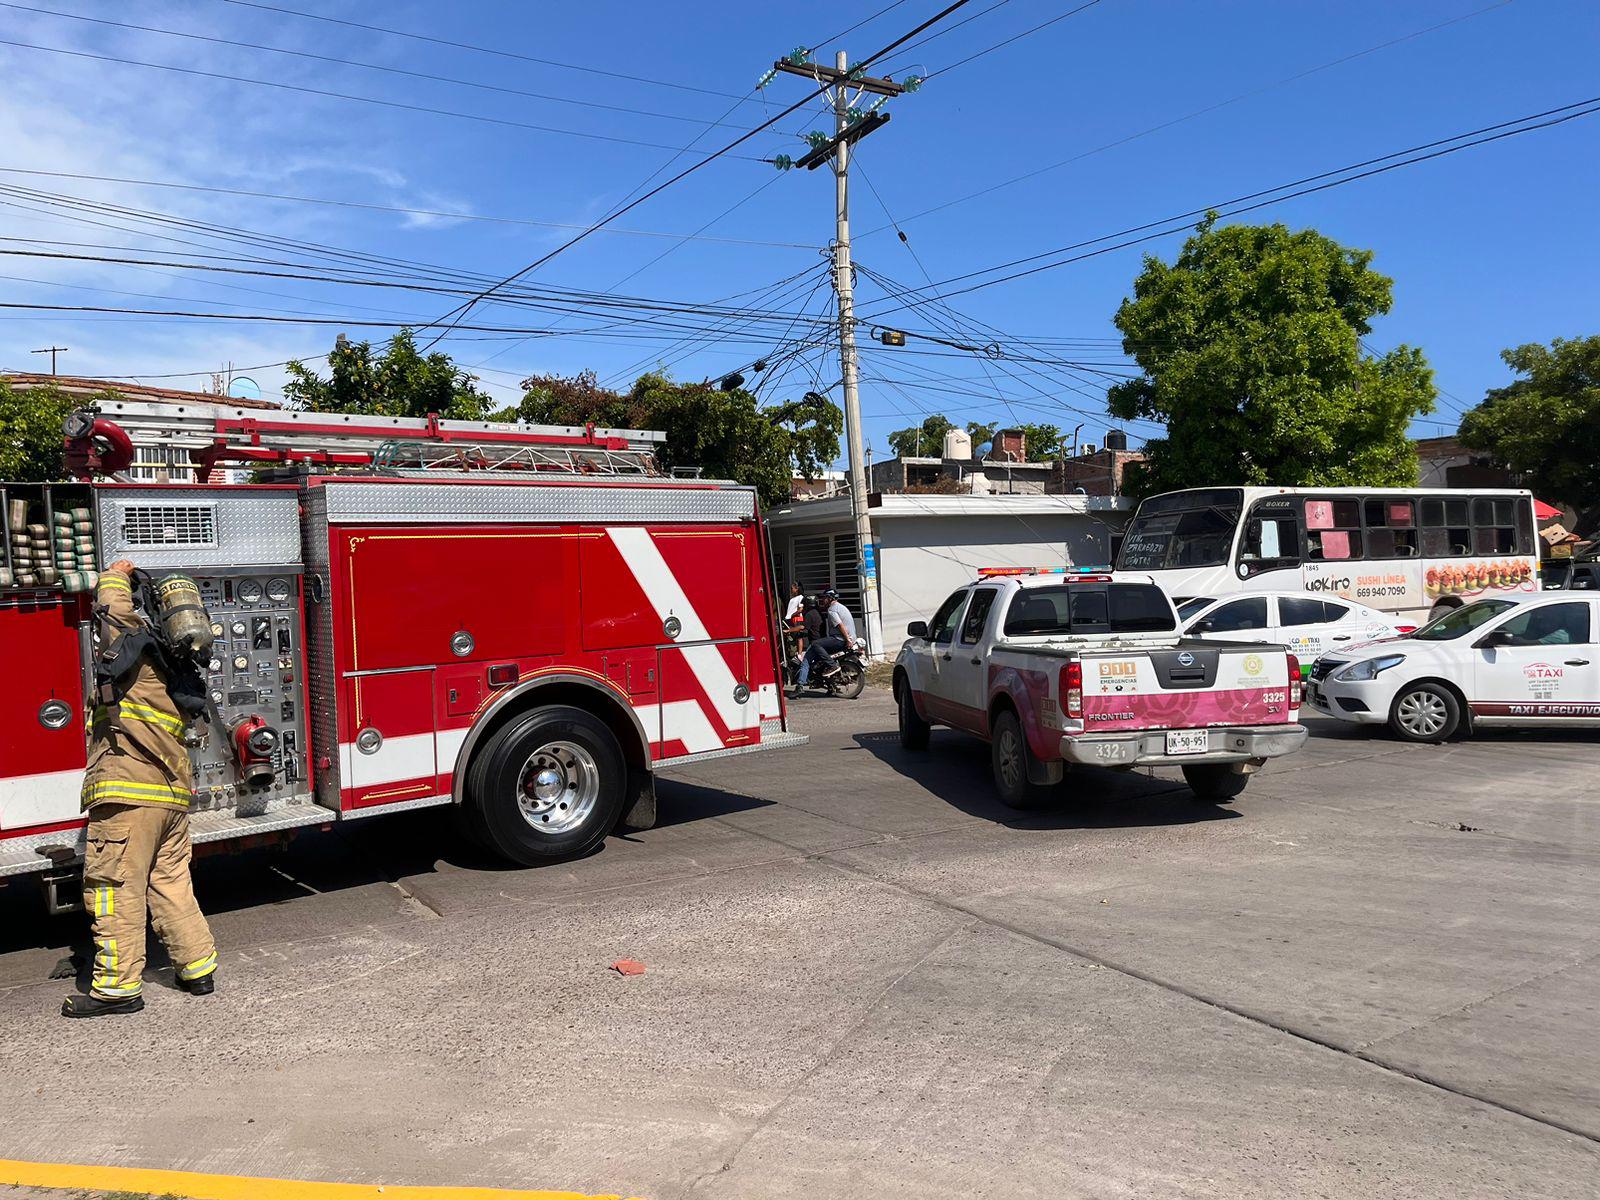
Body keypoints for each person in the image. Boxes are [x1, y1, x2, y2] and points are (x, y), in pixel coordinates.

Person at [63, 559, 218, 1018]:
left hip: (129, 792)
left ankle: (117, 989)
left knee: (114, 887)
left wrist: (115, 574)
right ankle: (197, 968)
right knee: (170, 881)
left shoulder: (138, 654)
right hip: (170, 798)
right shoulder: (178, 668)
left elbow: (112, 612)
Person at [799, 588, 859, 690]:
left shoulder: (832, 609)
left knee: (815, 644)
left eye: (825, 598)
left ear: (830, 598)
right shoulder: (841, 607)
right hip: (846, 638)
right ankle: (828, 684)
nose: (823, 601)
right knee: (820, 654)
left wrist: (847, 640)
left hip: (840, 639)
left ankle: (832, 665)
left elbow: (840, 625)